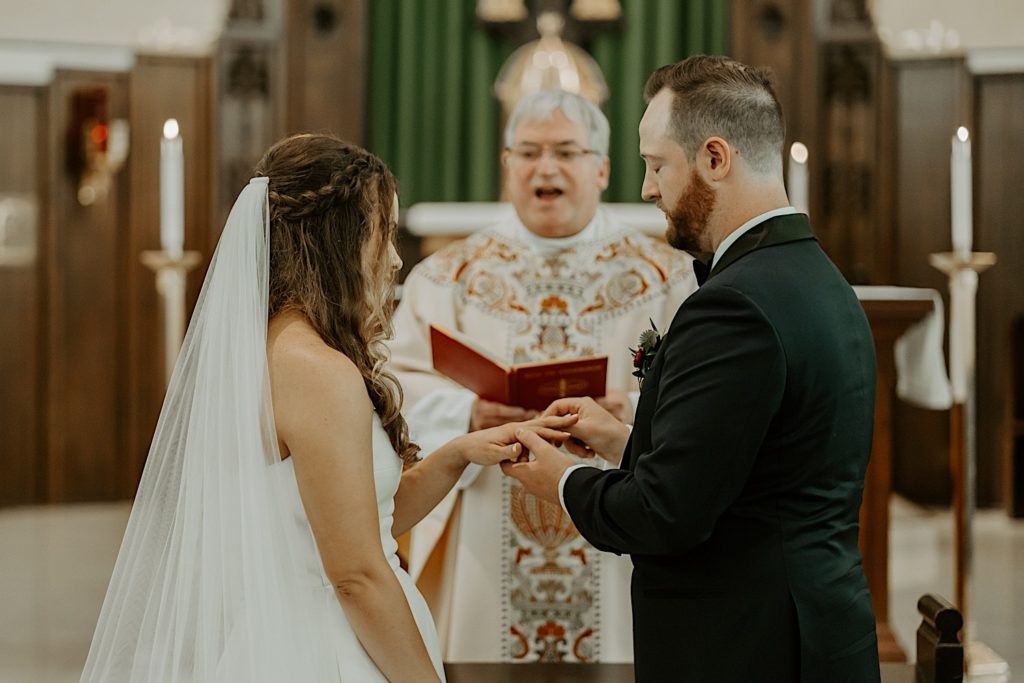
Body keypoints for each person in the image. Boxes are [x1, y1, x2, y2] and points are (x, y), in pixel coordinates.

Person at [79, 134, 573, 682]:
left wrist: (457, 454)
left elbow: (360, 523)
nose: (393, 258)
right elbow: (355, 574)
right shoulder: (317, 370)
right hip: (328, 649)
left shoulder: (274, 347)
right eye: (383, 234)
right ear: (340, 239)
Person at [505, 55, 882, 682]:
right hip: (816, 627)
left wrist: (562, 480)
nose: (648, 188)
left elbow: (665, 514)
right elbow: (755, 469)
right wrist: (619, 439)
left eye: (657, 165)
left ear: (714, 158)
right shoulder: (818, 277)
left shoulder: (733, 303)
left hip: (748, 647)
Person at [388, 89, 696, 664]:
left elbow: (697, 393)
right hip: (489, 513)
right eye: (528, 152)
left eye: (565, 152)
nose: (545, 167)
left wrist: (627, 409)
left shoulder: (666, 277)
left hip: (614, 513)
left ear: (602, 168)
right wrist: (468, 415)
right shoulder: (449, 277)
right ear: (506, 166)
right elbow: (394, 385)